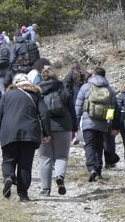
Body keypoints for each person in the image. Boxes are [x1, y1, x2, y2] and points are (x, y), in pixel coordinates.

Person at [0, 73, 51, 202]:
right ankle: (23, 195)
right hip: (29, 134)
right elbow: (44, 113)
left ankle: (8, 177)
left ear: (15, 83)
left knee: (8, 160)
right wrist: (46, 133)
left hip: (9, 133)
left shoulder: (7, 95)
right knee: (25, 164)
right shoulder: (35, 95)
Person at [37, 66, 77, 196]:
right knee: (61, 156)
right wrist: (74, 128)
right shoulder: (63, 88)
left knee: (45, 158)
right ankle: (59, 176)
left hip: (44, 127)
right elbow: (72, 109)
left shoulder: (37, 89)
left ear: (42, 76)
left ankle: (45, 189)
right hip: (63, 126)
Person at [75, 67, 118, 182]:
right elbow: (113, 107)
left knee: (89, 145)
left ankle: (91, 168)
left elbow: (78, 106)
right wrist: (109, 122)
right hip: (103, 122)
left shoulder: (86, 87)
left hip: (88, 121)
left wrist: (76, 122)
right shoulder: (109, 89)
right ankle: (98, 172)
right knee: (99, 146)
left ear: (94, 74)